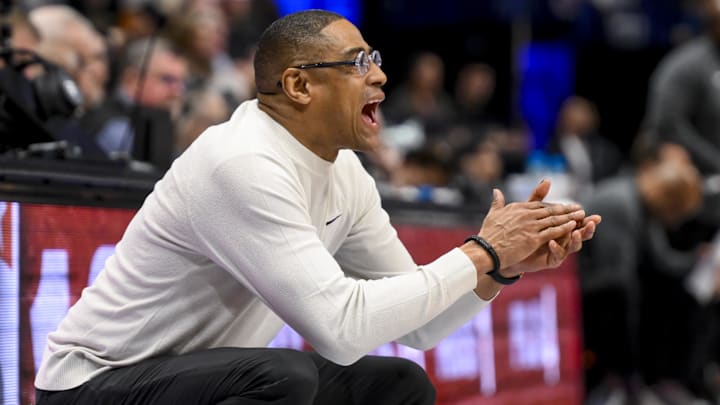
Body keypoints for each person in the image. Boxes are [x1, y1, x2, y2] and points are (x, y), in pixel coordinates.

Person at [33, 10, 600, 405]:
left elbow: (422, 329)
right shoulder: (242, 162)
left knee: (400, 384)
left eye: (374, 59)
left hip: (196, 381)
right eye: (358, 63)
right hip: (94, 386)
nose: (379, 74)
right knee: (281, 376)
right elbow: (341, 329)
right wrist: (479, 252)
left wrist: (499, 267)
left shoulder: (344, 171)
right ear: (299, 86)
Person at [577, 141, 704, 404]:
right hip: (588, 288)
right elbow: (614, 275)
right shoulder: (620, 203)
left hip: (611, 285)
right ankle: (624, 381)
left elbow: (663, 260)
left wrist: (697, 260)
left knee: (673, 295)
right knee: (628, 297)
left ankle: (654, 379)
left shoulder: (644, 205)